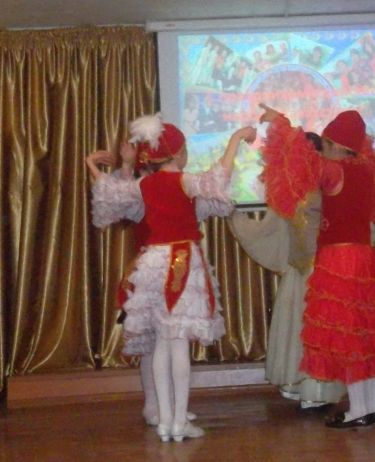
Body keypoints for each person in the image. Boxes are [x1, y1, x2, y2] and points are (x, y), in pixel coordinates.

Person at [87, 113, 256, 441]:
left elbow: (110, 193)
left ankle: (165, 422)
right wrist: (235, 138)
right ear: (178, 153)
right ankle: (179, 422)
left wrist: (92, 167)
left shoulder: (145, 185)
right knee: (177, 343)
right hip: (181, 261)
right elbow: (217, 178)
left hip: (153, 262)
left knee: (163, 342)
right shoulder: (184, 181)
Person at [258, 103, 375, 429]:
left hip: (339, 260)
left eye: (325, 142)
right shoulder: (370, 172)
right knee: (366, 334)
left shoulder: (336, 171)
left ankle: (358, 411)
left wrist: (280, 122)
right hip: (364, 258)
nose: (322, 148)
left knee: (348, 337)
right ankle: (371, 408)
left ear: (336, 144)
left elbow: (301, 159)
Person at [229, 133, 375, 411]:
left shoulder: (332, 180)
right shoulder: (291, 187)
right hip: (299, 270)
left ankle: (323, 391)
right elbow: (271, 228)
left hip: (328, 270)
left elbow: (359, 219)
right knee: (302, 328)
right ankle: (304, 389)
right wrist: (236, 217)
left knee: (325, 332)